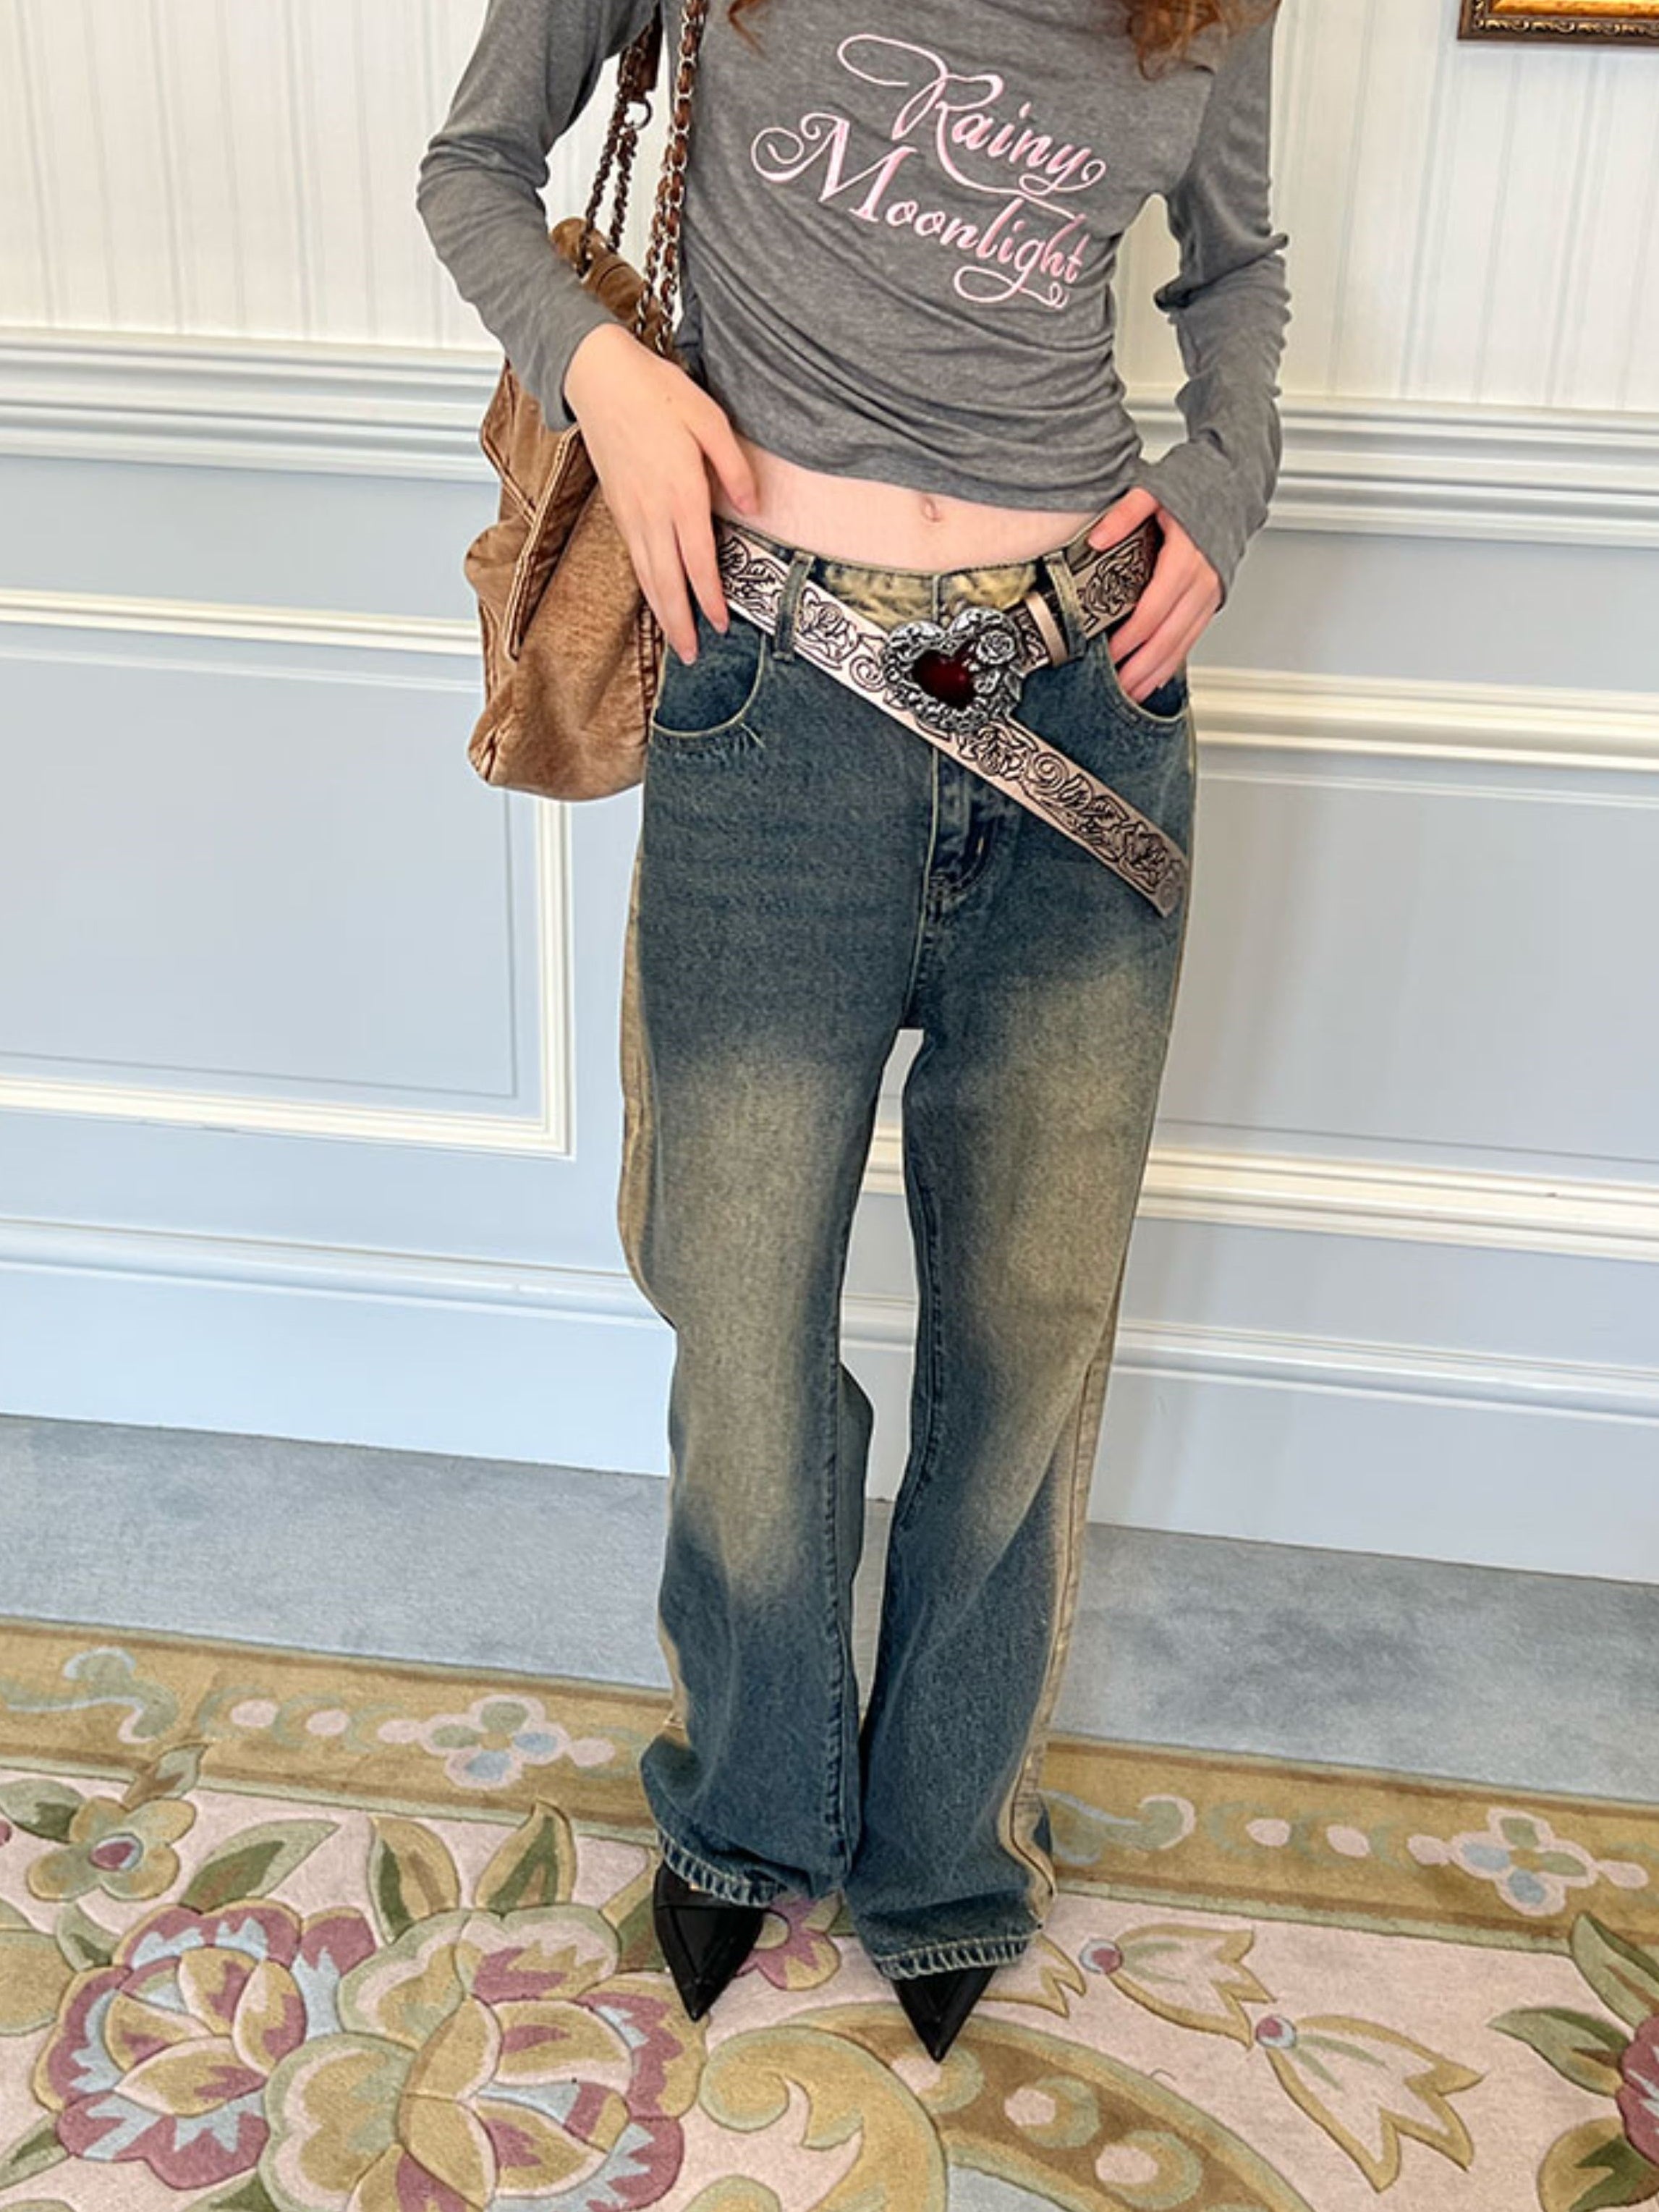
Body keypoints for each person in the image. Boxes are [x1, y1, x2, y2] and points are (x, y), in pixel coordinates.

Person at [418, 0, 1289, 2063]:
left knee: (1031, 1322)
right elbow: (474, 170)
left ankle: (949, 1850)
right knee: (735, 1303)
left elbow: (1235, 268)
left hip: (1085, 695)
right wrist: (608, 375)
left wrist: (1228, 477)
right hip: (772, 686)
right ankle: (750, 1805)